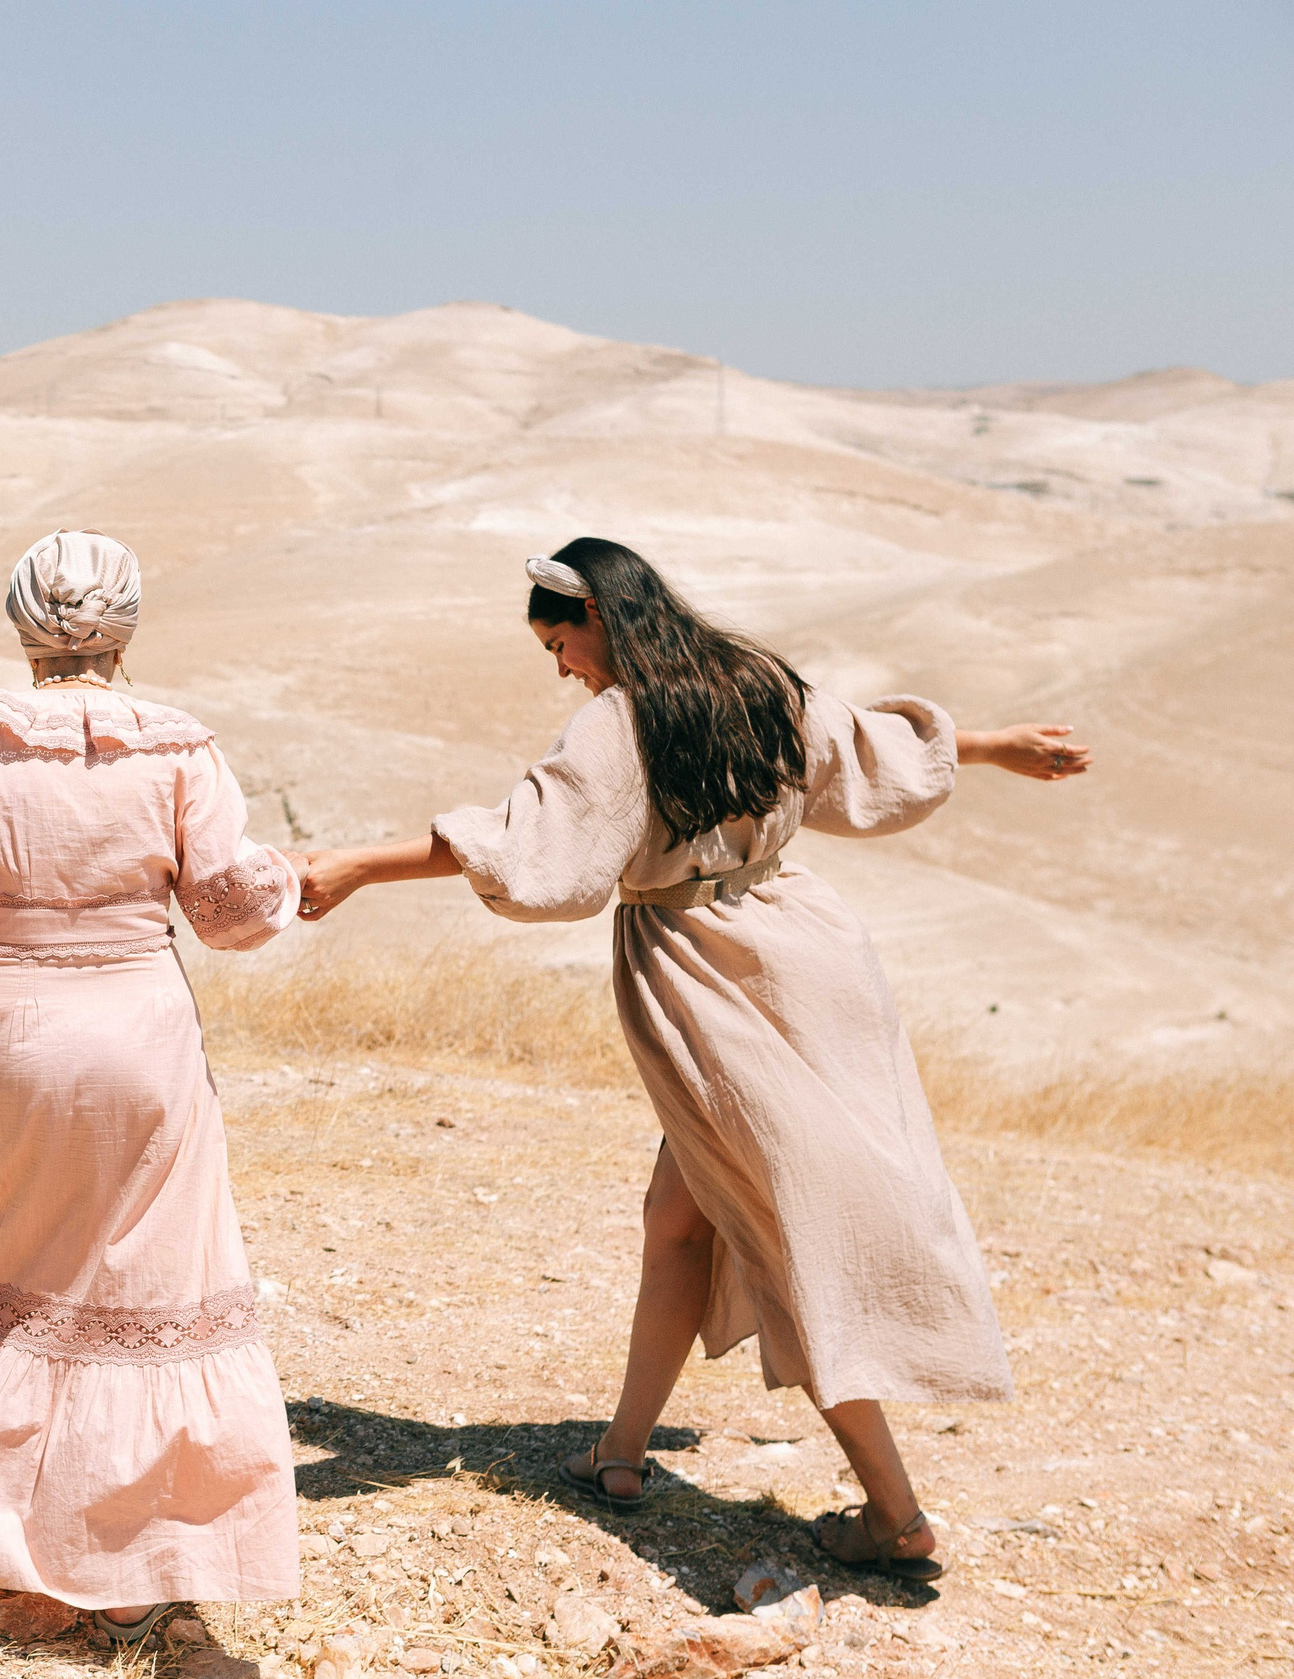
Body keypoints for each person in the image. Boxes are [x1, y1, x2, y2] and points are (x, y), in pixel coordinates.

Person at [297, 538, 1089, 1582]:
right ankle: (621, 1454)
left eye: (561, 642)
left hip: (710, 976)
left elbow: (528, 845)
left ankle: (895, 1517)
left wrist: (357, 864)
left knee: (784, 1226)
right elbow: (855, 753)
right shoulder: (752, 679)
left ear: (603, 622)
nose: (563, 666)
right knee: (678, 1215)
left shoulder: (619, 722)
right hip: (810, 955)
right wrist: (987, 747)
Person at [0, 529, 303, 1639]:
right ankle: (146, 1543)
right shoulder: (177, 747)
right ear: (129, 626)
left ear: (21, 624)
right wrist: (292, 877)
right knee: (151, 1284)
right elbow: (230, 914)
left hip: (13, 1035)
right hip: (141, 1031)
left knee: (14, 1267)